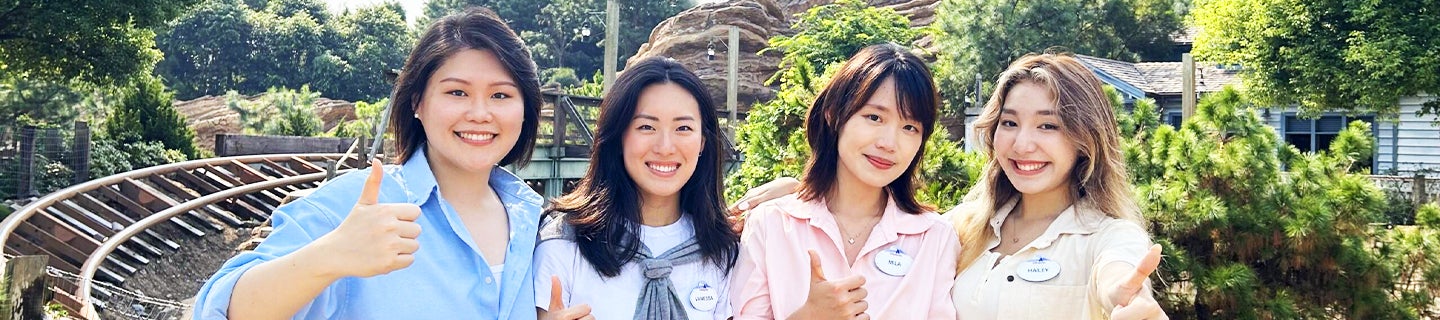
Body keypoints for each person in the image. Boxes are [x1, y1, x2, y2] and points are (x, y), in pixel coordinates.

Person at [729, 52, 1167, 319]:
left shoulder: (1107, 236)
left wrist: (1122, 295)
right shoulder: (966, 229)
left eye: (1049, 125)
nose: (1023, 142)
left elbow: (1120, 269)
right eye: (1009, 123)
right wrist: (795, 192)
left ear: (1085, 138)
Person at [193, 7, 546, 319]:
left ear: (525, 108)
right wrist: (329, 256)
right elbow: (220, 309)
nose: (480, 114)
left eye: (500, 95)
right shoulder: (355, 206)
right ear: (417, 103)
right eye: (457, 92)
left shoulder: (532, 220)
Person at [729, 43, 960, 320]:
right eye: (874, 117)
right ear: (834, 115)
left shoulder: (934, 237)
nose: (889, 143)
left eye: (909, 127)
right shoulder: (771, 224)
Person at [533, 57, 740, 320]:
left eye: (683, 128)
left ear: (702, 143)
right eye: (646, 127)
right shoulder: (564, 242)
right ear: (619, 136)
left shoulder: (722, 249)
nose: (665, 146)